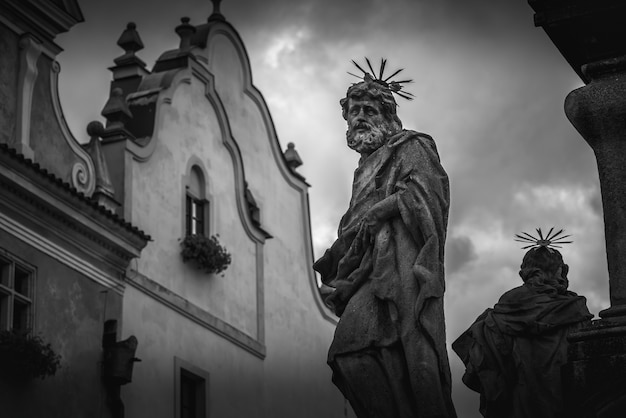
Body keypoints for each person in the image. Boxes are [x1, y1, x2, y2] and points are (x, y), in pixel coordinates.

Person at [313, 69, 457, 418]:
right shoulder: (363, 166)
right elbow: (355, 223)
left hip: (402, 262)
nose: (359, 117)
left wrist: (383, 210)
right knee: (351, 354)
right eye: (354, 111)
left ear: (388, 115)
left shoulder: (413, 145)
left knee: (393, 354)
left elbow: (428, 196)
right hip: (369, 268)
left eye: (368, 110)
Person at [452, 244, 592, 418]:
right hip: (565, 402)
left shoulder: (502, 311)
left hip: (518, 404)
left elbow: (483, 363)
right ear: (560, 271)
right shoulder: (574, 309)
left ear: (525, 272)